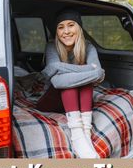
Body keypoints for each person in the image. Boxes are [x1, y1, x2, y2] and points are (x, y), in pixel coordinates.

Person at [42, 8, 105, 158]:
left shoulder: (88, 47)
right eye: (61, 27)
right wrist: (89, 70)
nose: (66, 31)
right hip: (50, 101)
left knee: (84, 81)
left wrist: (56, 67)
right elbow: (57, 82)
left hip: (77, 103)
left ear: (79, 28)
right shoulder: (52, 47)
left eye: (71, 25)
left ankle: (85, 132)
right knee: (71, 82)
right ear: (56, 32)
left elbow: (98, 74)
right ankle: (77, 134)